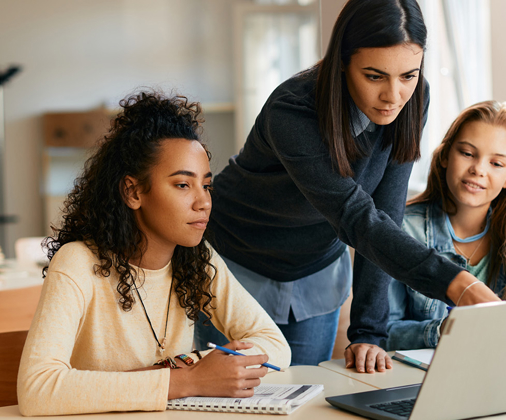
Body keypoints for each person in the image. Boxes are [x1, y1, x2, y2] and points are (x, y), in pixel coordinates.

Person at [194, 0, 500, 372]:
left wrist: (369, 332)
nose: (393, 96)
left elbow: (384, 213)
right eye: (374, 76)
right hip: (236, 262)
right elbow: (354, 215)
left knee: (301, 409)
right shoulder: (291, 111)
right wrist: (456, 283)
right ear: (342, 62)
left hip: (316, 270)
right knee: (234, 411)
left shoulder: (413, 97)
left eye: (408, 74)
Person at [17, 91, 291, 416]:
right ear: (133, 192)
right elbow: (37, 389)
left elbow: (275, 346)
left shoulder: (196, 258)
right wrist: (186, 381)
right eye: (182, 185)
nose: (203, 202)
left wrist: (186, 365)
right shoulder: (77, 262)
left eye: (206, 185)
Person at [386, 101, 506, 351]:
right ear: (444, 156)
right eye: (467, 153)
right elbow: (382, 332)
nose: (478, 169)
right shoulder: (401, 228)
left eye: (497, 163)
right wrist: (445, 330)